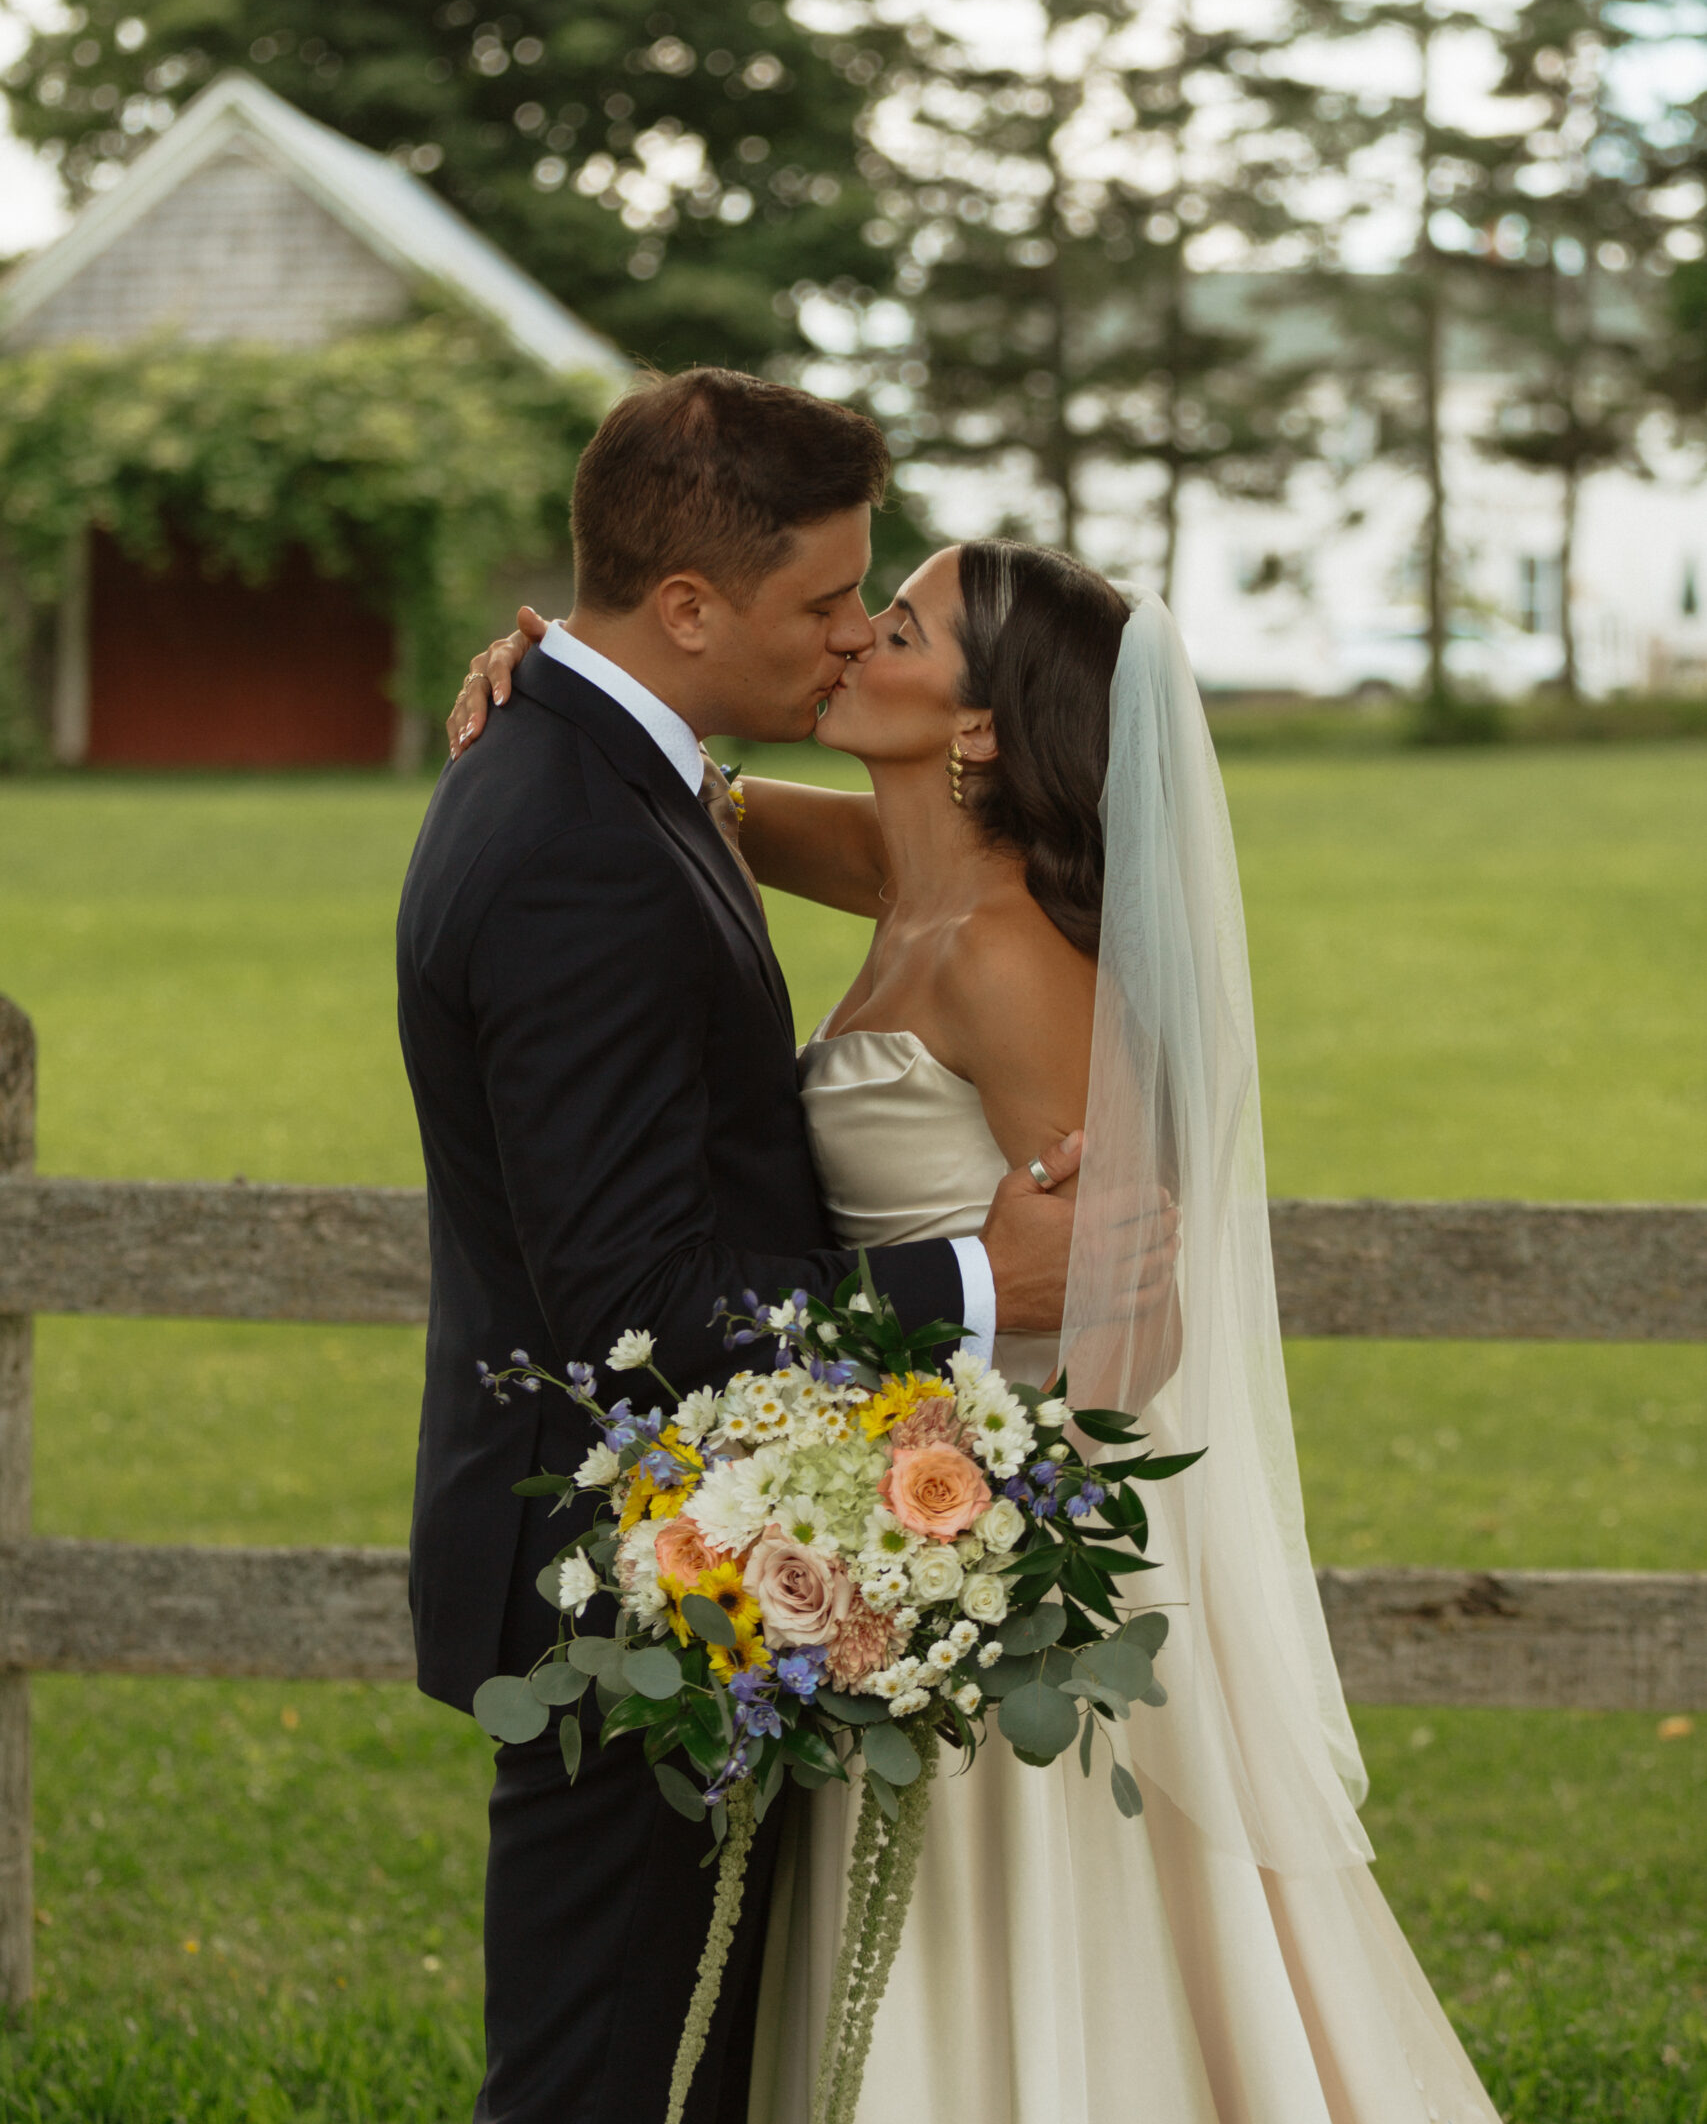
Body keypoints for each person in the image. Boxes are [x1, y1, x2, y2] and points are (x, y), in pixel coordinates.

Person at [456, 531, 1502, 2124]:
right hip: (882, 1526)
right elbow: (684, 795)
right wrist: (556, 692)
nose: (856, 637)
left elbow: (1130, 1347)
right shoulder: (907, 880)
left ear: (982, 727)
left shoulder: (1015, 961)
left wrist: (917, 1512)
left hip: (989, 1571)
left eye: (901, 624)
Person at [397, 369, 1085, 2124]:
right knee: (606, 2079)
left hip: (715, 1558)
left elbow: (913, 866)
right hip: (619, 1578)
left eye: (878, 605)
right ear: (688, 605)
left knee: (679, 2067)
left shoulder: (613, 775)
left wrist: (566, 679)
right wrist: (987, 1285)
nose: (851, 639)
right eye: (823, 602)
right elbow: (637, 1307)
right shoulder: (575, 842)